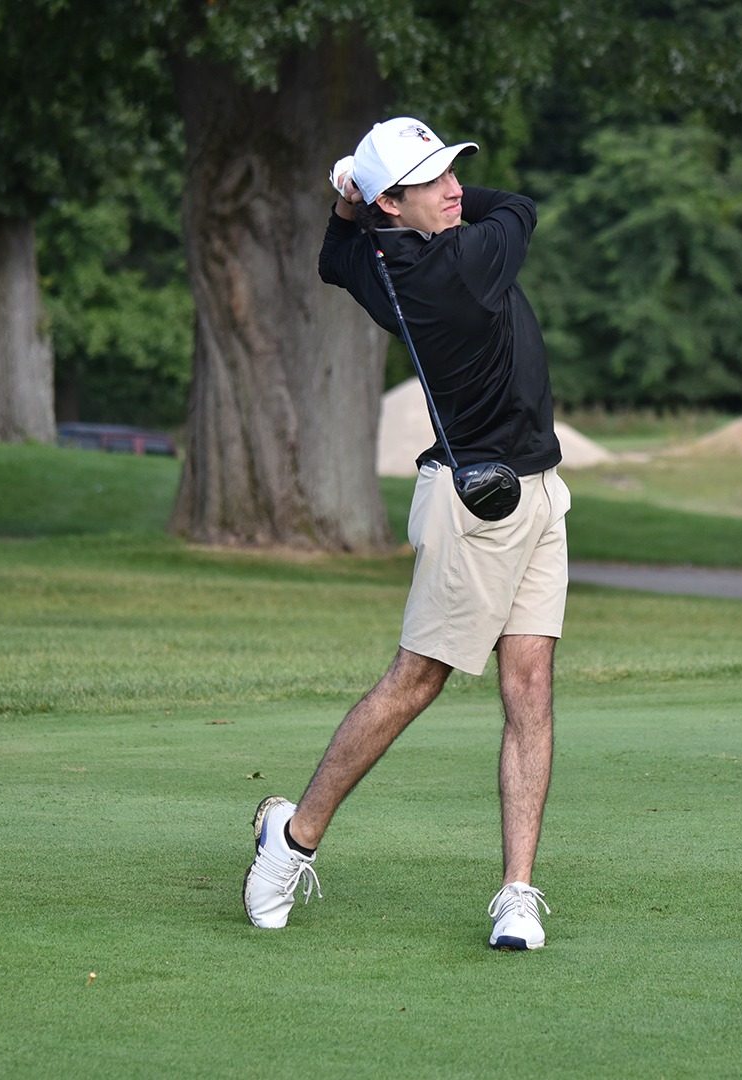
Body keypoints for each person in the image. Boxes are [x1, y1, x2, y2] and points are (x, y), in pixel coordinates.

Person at [243, 116, 570, 950]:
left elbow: (333, 256)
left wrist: (350, 203)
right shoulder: (457, 266)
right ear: (394, 202)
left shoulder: (378, 258)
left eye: (455, 172)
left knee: (529, 685)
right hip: (478, 509)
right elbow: (518, 206)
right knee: (416, 681)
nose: (457, 190)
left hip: (536, 488)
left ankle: (517, 893)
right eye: (433, 182)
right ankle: (291, 842)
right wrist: (364, 194)